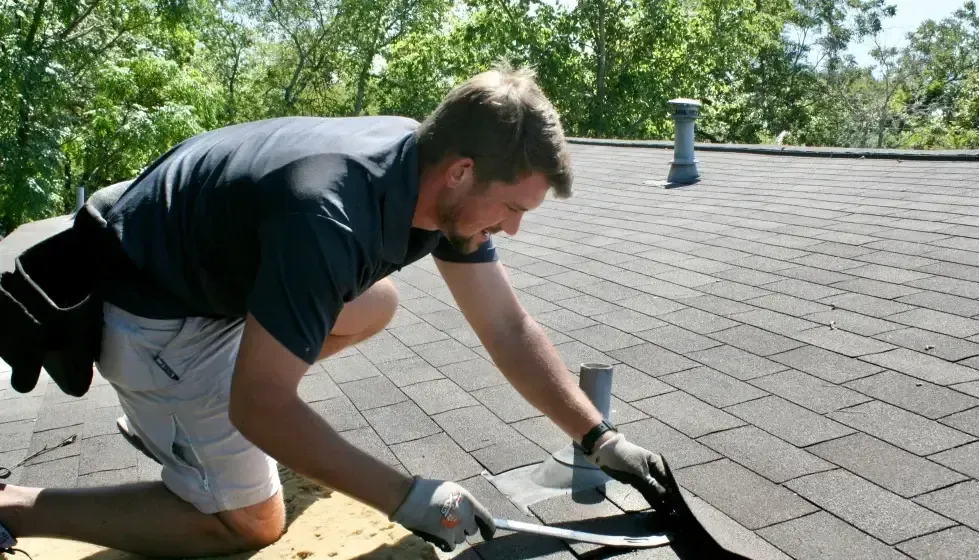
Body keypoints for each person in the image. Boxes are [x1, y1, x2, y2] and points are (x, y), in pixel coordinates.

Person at [0, 63, 677, 558]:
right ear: (462, 172)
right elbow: (259, 409)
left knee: (375, 302)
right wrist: (406, 497)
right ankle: (18, 506)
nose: (514, 229)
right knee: (248, 524)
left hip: (202, 272)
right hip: (148, 314)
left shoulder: (423, 171)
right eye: (513, 208)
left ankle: (187, 412)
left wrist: (599, 438)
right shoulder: (330, 216)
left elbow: (505, 327)